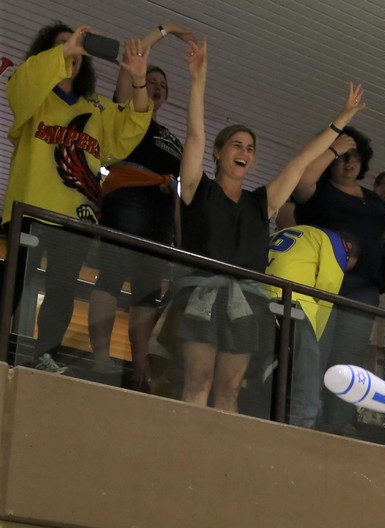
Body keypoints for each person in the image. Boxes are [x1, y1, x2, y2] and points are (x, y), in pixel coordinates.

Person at [174, 39, 363, 412]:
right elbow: (195, 136)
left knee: (230, 389)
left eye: (250, 148)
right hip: (201, 294)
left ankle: (219, 447)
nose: (244, 152)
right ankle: (186, 444)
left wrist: (341, 120)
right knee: (198, 381)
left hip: (245, 302)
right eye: (236, 145)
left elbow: (299, 162)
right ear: (218, 152)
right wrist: (198, 79)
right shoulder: (198, 188)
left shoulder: (262, 202)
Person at [4, 22, 154, 373]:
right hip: (30, 209)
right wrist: (65, 50)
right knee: (11, 284)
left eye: (76, 47)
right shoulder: (33, 94)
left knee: (61, 290)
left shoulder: (95, 106)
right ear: (47, 53)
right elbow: (21, 85)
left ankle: (46, 357)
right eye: (61, 44)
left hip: (75, 217)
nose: (71, 50)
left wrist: (139, 80)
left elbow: (131, 128)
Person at [87, 22, 198, 389]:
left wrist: (180, 236)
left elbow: (181, 187)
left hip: (161, 211)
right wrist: (164, 30)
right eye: (151, 80)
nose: (157, 86)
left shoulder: (170, 137)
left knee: (148, 291)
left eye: (163, 85)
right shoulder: (126, 114)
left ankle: (140, 367)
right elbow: (131, 58)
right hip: (128, 198)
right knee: (112, 273)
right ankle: (100, 358)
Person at [290, 121, 385, 433]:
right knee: (316, 352)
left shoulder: (375, 202)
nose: (349, 161)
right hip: (321, 283)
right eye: (343, 156)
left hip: (363, 287)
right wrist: (332, 148)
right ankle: (305, 418)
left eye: (354, 156)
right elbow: (301, 181)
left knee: (349, 357)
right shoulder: (319, 190)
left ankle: (339, 421)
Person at [263, 226, 357, 428]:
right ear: (348, 249)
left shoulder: (287, 233)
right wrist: (315, 338)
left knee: (263, 382)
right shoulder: (336, 244)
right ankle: (295, 441)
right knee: (304, 392)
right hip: (294, 307)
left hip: (258, 299)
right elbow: (327, 290)